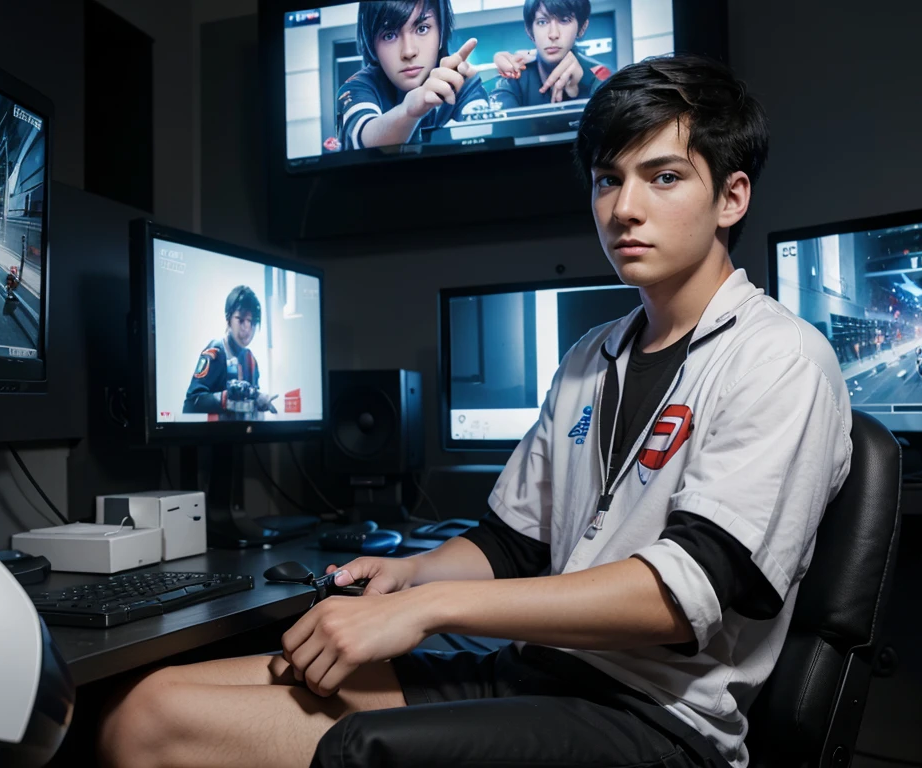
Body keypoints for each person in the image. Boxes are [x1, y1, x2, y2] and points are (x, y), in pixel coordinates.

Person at [99, 55, 853, 768]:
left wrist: (433, 612)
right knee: (148, 712)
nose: (624, 209)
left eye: (662, 178)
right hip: (535, 672)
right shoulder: (593, 356)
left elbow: (683, 594)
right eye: (606, 180)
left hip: (652, 719)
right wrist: (413, 575)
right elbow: (511, 545)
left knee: (286, 742)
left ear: (732, 197)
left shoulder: (781, 358)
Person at [334, 0, 490, 151]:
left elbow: (488, 141)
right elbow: (364, 138)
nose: (408, 52)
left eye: (422, 28)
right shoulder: (358, 88)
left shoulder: (461, 81)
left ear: (441, 33)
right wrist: (409, 111)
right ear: (372, 44)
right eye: (389, 35)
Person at [183, 285, 279, 420]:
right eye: (240, 320)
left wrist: (259, 401)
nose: (247, 328)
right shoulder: (217, 352)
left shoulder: (251, 360)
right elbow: (191, 404)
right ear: (229, 319)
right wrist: (226, 398)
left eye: (251, 322)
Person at [491, 0, 610, 107]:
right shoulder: (515, 79)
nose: (553, 34)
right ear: (529, 31)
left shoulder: (602, 76)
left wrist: (580, 91)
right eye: (542, 22)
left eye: (564, 20)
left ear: (582, 28)